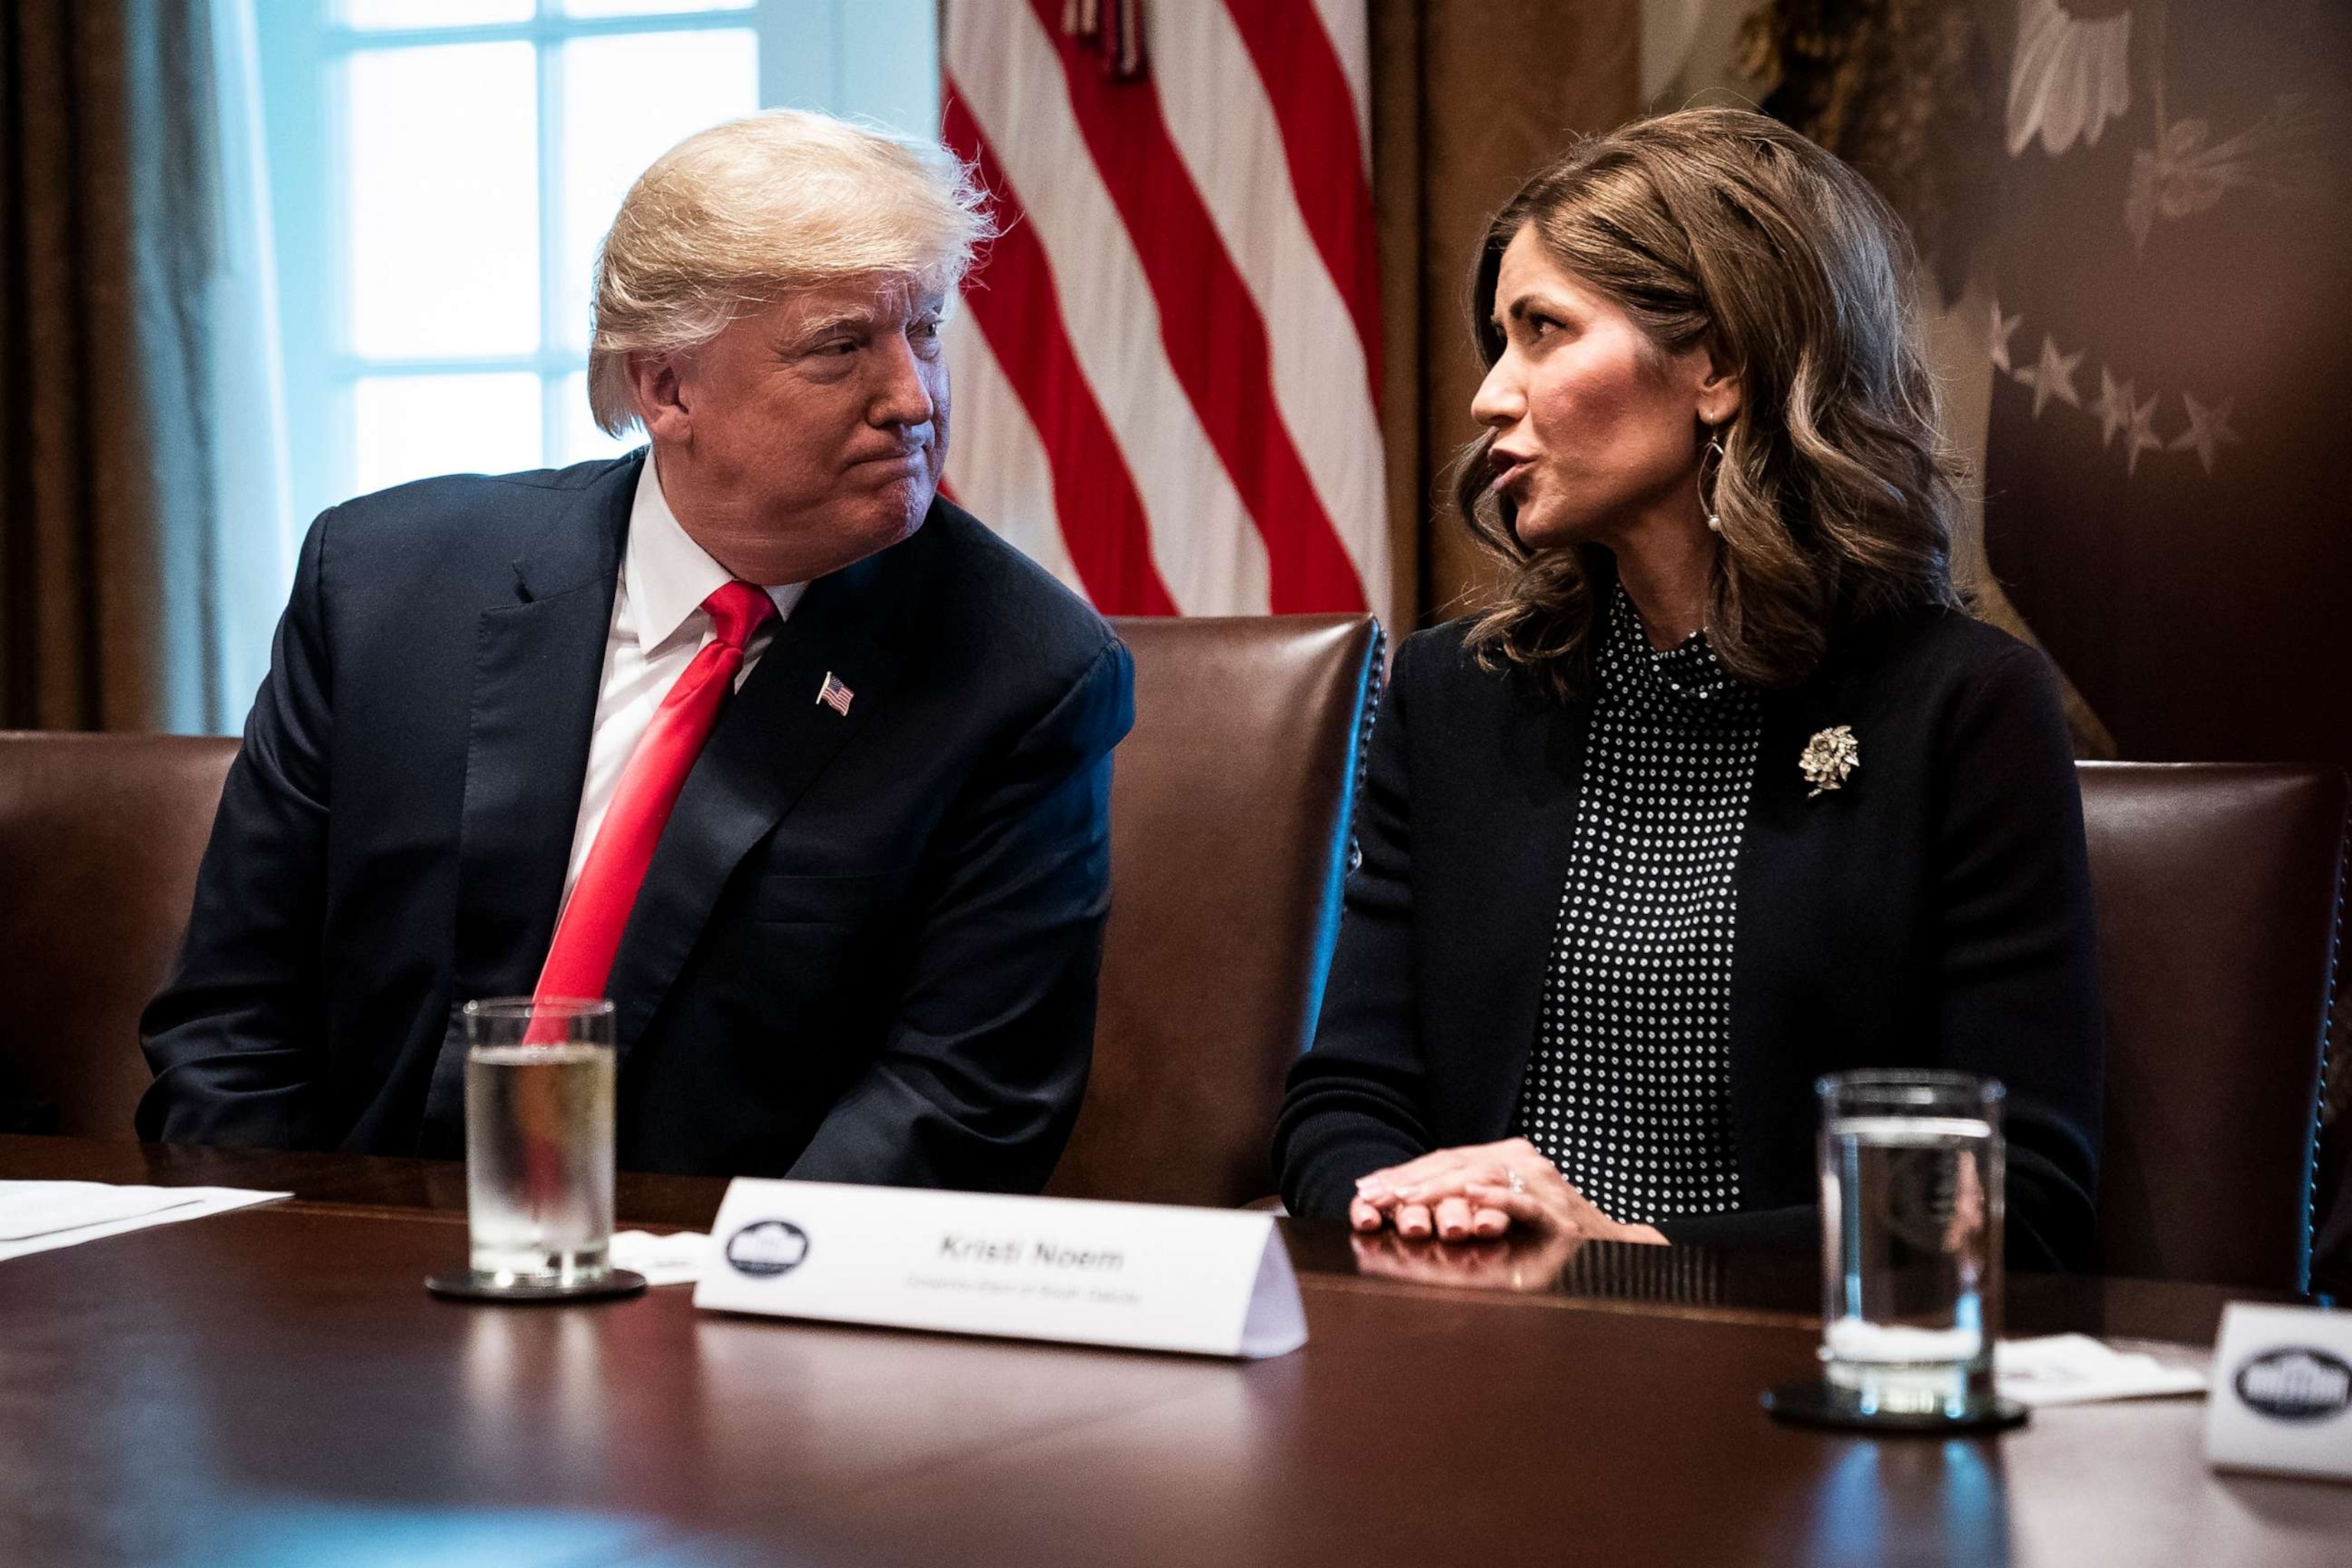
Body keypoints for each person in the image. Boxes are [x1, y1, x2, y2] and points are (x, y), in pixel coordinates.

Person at [138, 110, 1134, 1191]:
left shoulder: (1022, 671)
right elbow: (232, 1020)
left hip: (712, 1308)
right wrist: (278, 1277)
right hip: (341, 1280)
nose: (912, 398)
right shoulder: (384, 587)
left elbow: (955, 1106)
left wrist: (715, 1321)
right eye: (842, 347)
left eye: (926, 329)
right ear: (667, 387)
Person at [1274, 109, 2102, 1270]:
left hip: (1781, 1390)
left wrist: (1631, 1250)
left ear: (1720, 365)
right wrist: (1425, 1207)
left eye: (1542, 332)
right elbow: (1342, 1100)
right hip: (1469, 1349)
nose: (1488, 397)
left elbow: (2021, 1190)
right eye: (1495, 342)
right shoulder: (1451, 696)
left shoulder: (1961, 710)